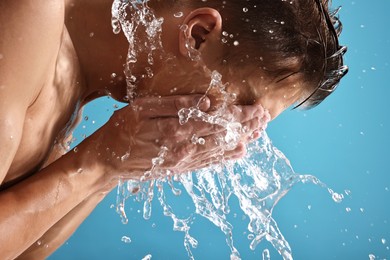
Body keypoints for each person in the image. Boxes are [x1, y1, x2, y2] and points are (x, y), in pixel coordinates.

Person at [0, 0, 347, 258]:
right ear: (198, 35)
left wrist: (116, 167)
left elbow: (23, 250)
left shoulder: (76, 93)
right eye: (242, 106)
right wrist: (99, 161)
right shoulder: (30, 15)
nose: (232, 129)